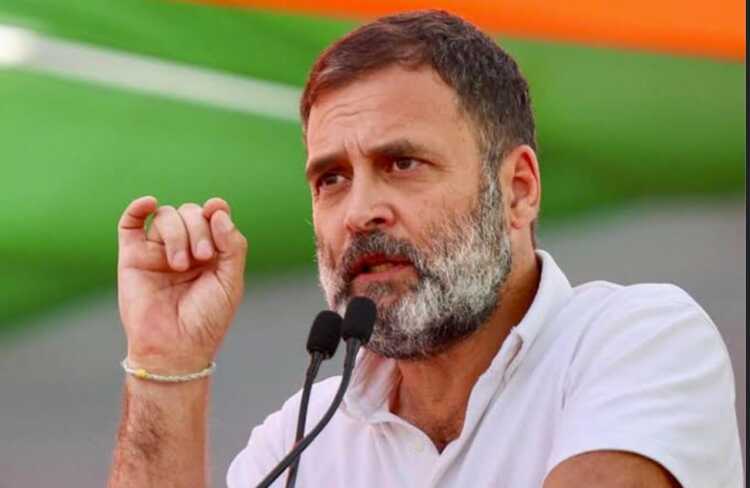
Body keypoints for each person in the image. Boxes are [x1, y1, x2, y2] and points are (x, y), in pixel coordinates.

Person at [107, 10, 743, 488]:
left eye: (402, 163)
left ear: (518, 190)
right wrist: (166, 364)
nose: (359, 212)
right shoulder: (296, 445)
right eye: (331, 179)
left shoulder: (639, 340)